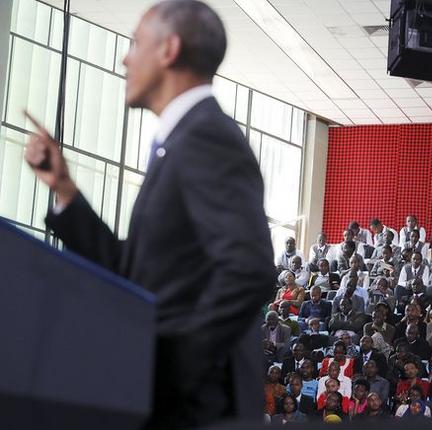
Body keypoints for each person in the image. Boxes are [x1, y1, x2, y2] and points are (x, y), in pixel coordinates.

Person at [20, 4, 292, 400]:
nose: (124, 57)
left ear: (169, 50)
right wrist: (64, 189)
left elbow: (248, 270)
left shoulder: (206, 137)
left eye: (134, 43)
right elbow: (137, 275)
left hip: (191, 406)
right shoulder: (183, 140)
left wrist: (170, 367)